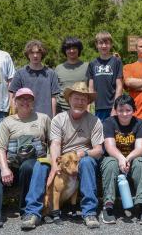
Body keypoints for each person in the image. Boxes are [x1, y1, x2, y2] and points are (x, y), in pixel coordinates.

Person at [0, 87, 52, 230]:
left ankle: (27, 210)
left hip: (35, 164)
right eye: (21, 99)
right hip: (12, 165)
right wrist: (4, 168)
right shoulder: (6, 122)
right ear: (15, 101)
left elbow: (53, 143)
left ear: (33, 102)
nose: (25, 102)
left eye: (29, 99)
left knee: (29, 166)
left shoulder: (43, 118)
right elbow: (0, 147)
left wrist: (50, 162)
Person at [48, 81, 104, 228]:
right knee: (39, 165)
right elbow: (55, 144)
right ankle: (33, 210)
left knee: (86, 162)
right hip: (63, 158)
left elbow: (99, 149)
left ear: (88, 102)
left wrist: (84, 153)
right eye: (76, 98)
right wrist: (55, 164)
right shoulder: (58, 119)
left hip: (83, 158)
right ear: (69, 100)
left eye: (83, 99)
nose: (79, 102)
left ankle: (89, 212)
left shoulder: (95, 121)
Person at [100, 94, 142, 225]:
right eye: (120, 110)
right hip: (113, 158)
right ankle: (108, 206)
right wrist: (120, 158)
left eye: (128, 110)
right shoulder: (109, 122)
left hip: (133, 158)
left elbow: (140, 148)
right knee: (110, 163)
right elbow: (109, 146)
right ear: (116, 111)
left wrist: (127, 158)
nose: (124, 114)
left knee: (140, 163)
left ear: (134, 110)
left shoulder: (139, 123)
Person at [9, 40, 60, 117]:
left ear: (42, 54)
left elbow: (53, 98)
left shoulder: (51, 74)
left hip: (45, 117)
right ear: (28, 54)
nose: (35, 55)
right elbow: (14, 97)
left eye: (38, 52)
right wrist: (14, 117)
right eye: (32, 53)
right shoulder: (19, 74)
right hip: (25, 117)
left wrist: (53, 118)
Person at [87, 31, 123, 121]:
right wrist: (88, 107)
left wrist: (115, 107)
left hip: (112, 107)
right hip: (98, 107)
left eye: (106, 43)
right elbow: (90, 88)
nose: (104, 46)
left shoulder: (116, 61)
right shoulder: (92, 64)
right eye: (101, 43)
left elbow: (119, 86)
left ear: (111, 44)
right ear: (96, 45)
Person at [54, 37, 88, 113]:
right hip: (61, 110)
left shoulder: (87, 67)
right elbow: (55, 92)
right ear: (65, 51)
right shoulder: (58, 68)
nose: (71, 51)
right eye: (68, 48)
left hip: (81, 110)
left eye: (74, 48)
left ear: (79, 49)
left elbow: (91, 89)